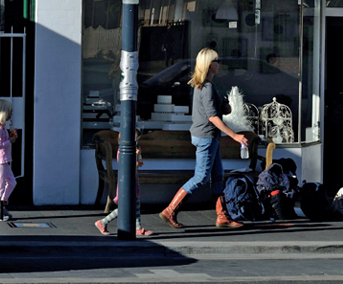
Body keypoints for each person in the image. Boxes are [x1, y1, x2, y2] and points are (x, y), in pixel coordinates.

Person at [159, 48, 249, 230]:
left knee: (217, 176)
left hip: (209, 137)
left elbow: (215, 112)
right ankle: (170, 210)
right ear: (209, 64)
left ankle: (222, 216)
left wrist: (224, 107)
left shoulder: (206, 86)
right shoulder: (206, 88)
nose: (219, 64)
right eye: (217, 60)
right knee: (201, 177)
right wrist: (235, 135)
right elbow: (212, 117)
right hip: (206, 136)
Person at [95, 132, 152, 236]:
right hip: (126, 181)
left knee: (136, 204)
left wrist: (138, 156)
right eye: (135, 140)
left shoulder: (134, 150)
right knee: (126, 206)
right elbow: (127, 165)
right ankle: (103, 222)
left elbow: (139, 164)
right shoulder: (122, 151)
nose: (137, 142)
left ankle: (138, 227)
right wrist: (135, 155)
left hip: (133, 179)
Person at [0, 99, 17, 222]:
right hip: (0, 161)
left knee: (12, 182)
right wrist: (10, 141)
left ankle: (3, 202)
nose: (11, 115)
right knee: (0, 186)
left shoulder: (2, 128)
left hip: (3, 160)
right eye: (9, 113)